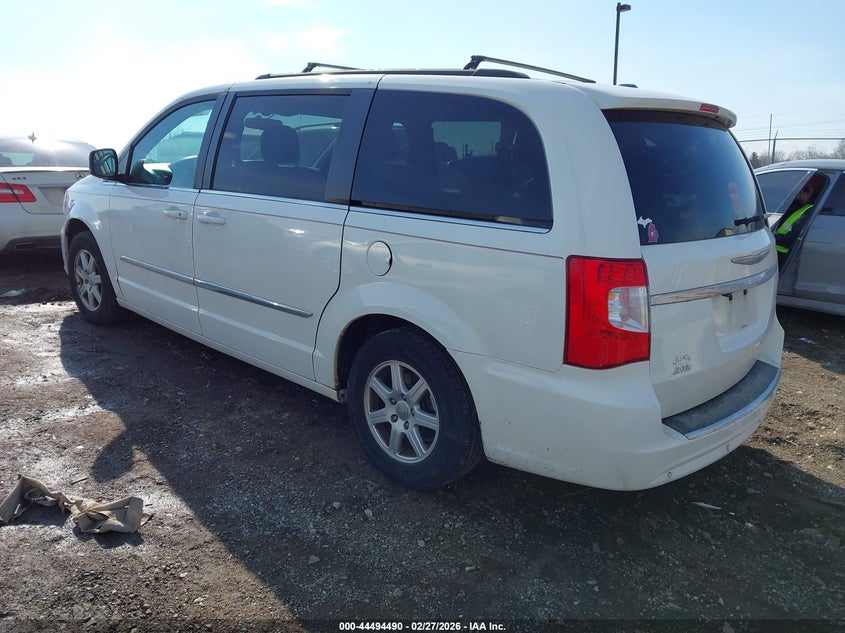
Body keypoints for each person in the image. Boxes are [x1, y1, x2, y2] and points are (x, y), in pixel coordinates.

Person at [775, 176, 825, 266]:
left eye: (801, 190)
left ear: (810, 190)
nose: (798, 195)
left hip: (783, 255)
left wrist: (771, 238)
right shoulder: (802, 207)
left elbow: (791, 238)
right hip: (780, 251)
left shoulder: (808, 211)